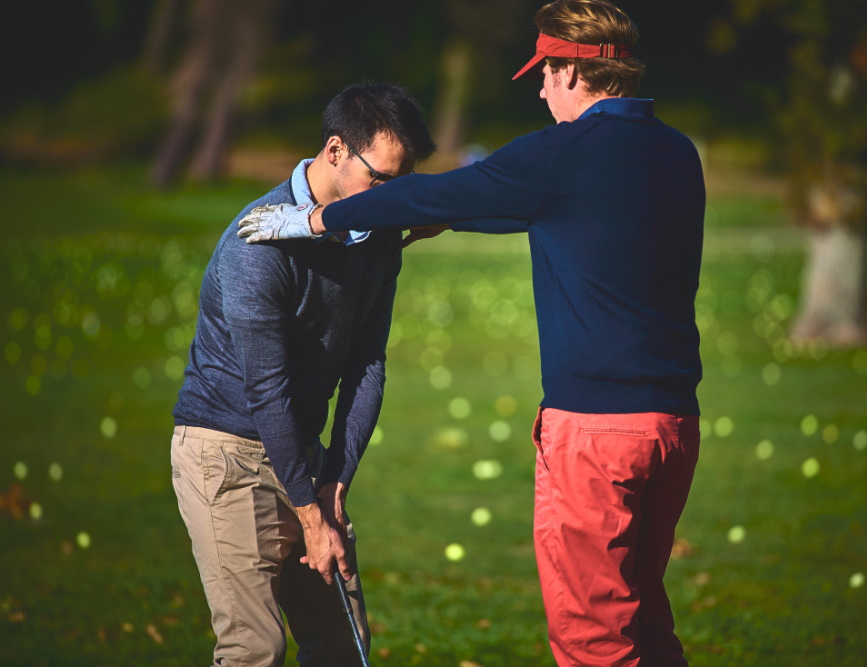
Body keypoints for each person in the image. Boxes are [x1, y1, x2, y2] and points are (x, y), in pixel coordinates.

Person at [238, 1, 704, 664]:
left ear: (574, 70)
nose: (541, 89)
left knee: (594, 635)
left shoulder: (562, 154)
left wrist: (310, 222)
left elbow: (438, 194)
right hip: (673, 427)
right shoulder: (676, 153)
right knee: (644, 619)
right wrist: (455, 216)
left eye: (545, 73)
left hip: (595, 435)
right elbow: (552, 215)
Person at [171, 83, 435, 666]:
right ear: (336, 150)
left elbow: (368, 361)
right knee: (254, 649)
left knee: (342, 647)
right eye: (381, 180)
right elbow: (267, 390)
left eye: (403, 183)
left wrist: (334, 481)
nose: (391, 197)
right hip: (227, 456)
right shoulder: (256, 246)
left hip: (303, 457)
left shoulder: (379, 233)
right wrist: (310, 515)